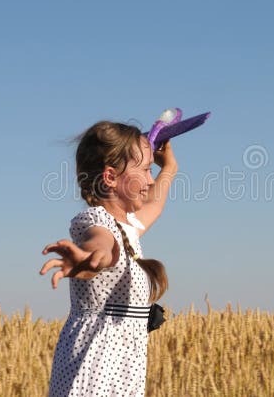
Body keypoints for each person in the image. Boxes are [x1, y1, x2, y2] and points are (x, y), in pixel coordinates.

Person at [39, 120, 177, 396]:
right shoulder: (93, 220)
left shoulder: (130, 227)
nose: (151, 180)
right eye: (146, 170)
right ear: (111, 177)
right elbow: (102, 245)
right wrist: (91, 256)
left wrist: (169, 167)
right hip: (96, 370)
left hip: (124, 372)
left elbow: (156, 203)